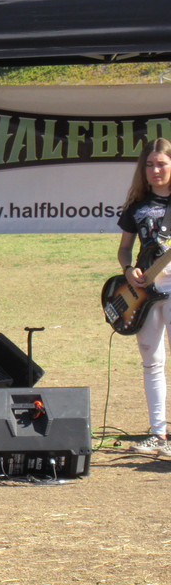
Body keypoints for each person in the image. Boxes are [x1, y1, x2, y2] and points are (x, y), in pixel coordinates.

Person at [116, 137, 171, 456]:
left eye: (161, 164)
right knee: (151, 362)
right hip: (144, 293)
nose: (155, 170)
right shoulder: (136, 205)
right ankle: (157, 434)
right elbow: (125, 249)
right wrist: (128, 271)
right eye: (149, 165)